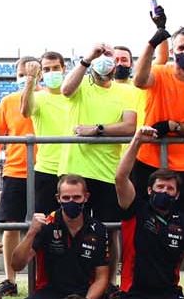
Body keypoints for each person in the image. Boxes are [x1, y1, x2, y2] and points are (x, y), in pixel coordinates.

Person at [112, 129, 184, 299]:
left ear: (177, 195)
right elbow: (120, 177)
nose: (165, 191)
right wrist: (137, 141)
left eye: (170, 189)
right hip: (134, 294)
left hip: (169, 295)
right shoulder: (135, 209)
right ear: (150, 190)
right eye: (160, 187)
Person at [131, 9, 184, 216]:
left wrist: (173, 126)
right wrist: (152, 43)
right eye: (181, 47)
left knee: (182, 221)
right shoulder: (160, 73)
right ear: (172, 51)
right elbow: (139, 80)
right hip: (147, 158)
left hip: (182, 164)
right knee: (142, 217)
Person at [5, 175, 113, 299]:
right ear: (58, 199)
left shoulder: (97, 229)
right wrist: (31, 232)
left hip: (84, 297)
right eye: (66, 198)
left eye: (76, 197)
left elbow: (102, 277)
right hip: (49, 294)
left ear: (86, 197)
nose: (72, 202)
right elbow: (17, 264)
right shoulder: (47, 224)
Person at [58, 43, 142, 221]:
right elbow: (65, 90)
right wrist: (88, 58)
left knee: (110, 228)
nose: (104, 60)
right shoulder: (81, 85)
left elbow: (129, 126)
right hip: (75, 170)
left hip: (107, 171)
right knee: (72, 224)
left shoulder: (128, 92)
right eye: (100, 57)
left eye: (110, 57)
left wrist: (97, 130)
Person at [0, 56, 39, 294]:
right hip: (15, 170)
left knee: (43, 226)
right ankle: (11, 279)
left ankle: (41, 277)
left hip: (44, 170)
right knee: (11, 227)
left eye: (29, 74)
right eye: (21, 74)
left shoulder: (49, 99)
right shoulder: (8, 102)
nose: (24, 79)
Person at [21, 52, 73, 217]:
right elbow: (25, 111)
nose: (52, 72)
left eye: (56, 68)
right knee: (43, 223)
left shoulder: (76, 96)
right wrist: (30, 80)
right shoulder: (38, 97)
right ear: (41, 73)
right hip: (47, 169)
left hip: (74, 168)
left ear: (64, 69)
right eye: (47, 69)